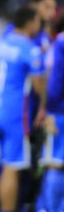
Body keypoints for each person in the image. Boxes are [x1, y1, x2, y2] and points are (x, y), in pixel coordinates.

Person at [0, 5, 45, 212]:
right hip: (16, 115)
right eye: (38, 22)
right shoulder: (29, 49)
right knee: (13, 166)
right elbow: (40, 86)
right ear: (30, 22)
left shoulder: (3, 43)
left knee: (6, 163)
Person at [38, 14, 64, 211]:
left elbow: (54, 81)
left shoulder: (60, 43)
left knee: (56, 164)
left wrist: (49, 110)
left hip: (60, 113)